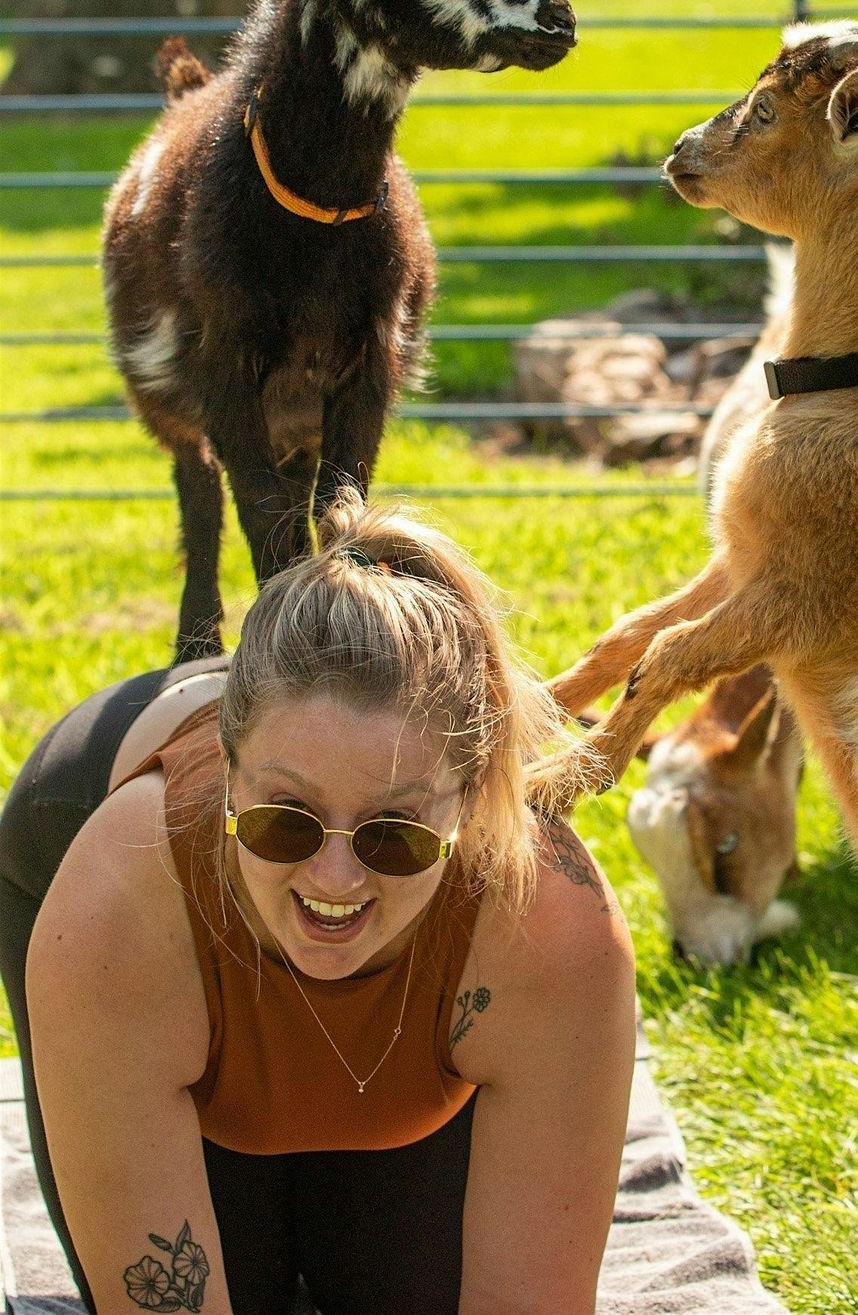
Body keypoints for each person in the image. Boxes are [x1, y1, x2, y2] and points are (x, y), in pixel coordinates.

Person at [0, 493, 636, 1315]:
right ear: (229, 775)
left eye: (393, 833)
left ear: (471, 802)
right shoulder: (112, 916)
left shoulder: (549, 922)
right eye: (284, 822)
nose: (335, 878)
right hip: (106, 892)